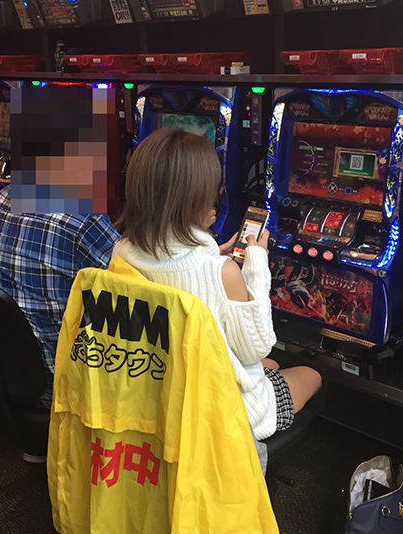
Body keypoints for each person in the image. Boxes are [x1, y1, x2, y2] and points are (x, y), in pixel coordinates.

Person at [113, 129, 322, 441]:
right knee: (311, 374)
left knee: (273, 364)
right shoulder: (221, 272)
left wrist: (210, 250)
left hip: (160, 387)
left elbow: (176, 263)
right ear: (198, 198)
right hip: (219, 411)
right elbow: (255, 348)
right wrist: (256, 263)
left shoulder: (122, 249)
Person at [0, 186, 119, 410]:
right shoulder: (83, 220)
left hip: (2, 363)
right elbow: (130, 286)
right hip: (58, 377)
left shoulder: (4, 197)